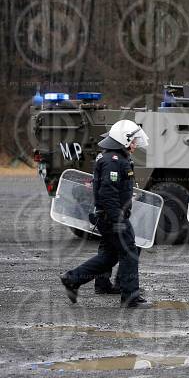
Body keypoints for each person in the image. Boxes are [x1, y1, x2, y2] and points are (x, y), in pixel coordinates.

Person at [60, 119, 150, 308]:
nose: (135, 145)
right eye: (132, 141)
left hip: (109, 216)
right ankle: (130, 297)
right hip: (113, 218)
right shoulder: (113, 160)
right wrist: (118, 218)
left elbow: (114, 190)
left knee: (109, 256)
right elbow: (107, 192)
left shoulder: (113, 158)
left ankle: (73, 279)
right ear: (123, 140)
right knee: (129, 252)